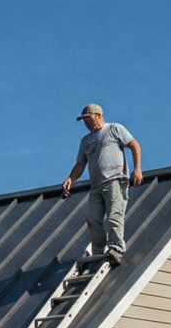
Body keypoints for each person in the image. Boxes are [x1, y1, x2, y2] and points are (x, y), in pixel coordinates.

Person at [61, 104, 143, 265]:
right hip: (96, 185)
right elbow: (80, 164)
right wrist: (71, 178)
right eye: (84, 121)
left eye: (88, 119)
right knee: (93, 219)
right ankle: (98, 252)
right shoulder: (86, 140)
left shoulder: (114, 129)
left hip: (115, 180)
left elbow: (134, 145)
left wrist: (137, 169)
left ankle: (116, 248)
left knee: (114, 215)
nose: (86, 123)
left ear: (98, 115)